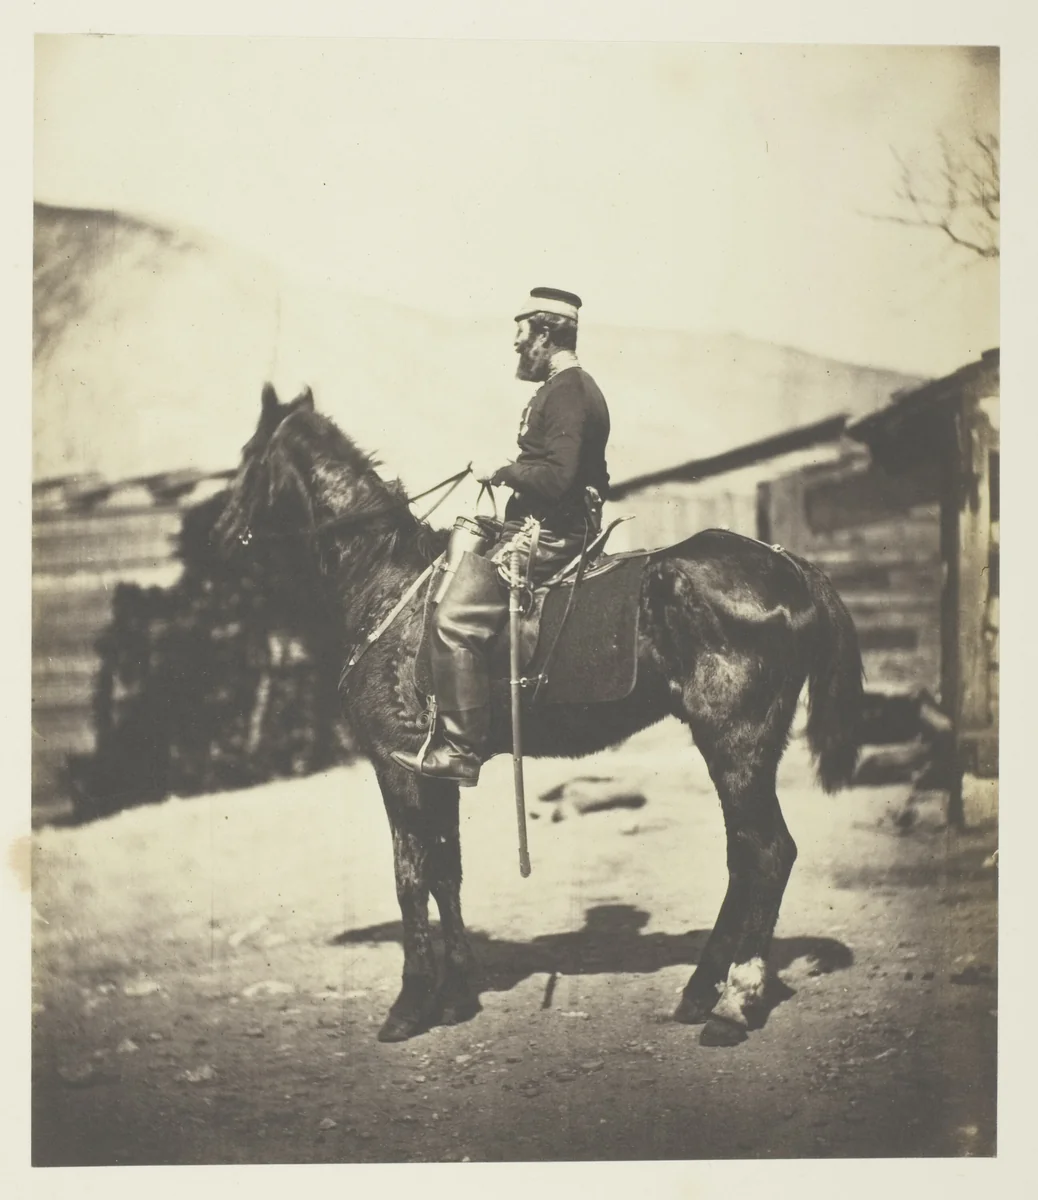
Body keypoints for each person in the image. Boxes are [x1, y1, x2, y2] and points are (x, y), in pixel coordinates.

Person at [391, 287, 611, 787]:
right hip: (543, 522)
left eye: (522, 332)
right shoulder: (568, 389)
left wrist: (503, 470)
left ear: (545, 333)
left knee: (453, 618)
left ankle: (461, 750)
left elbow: (558, 479)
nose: (516, 343)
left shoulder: (571, 393)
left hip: (550, 533)